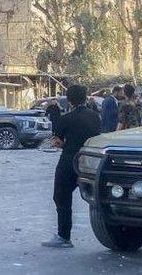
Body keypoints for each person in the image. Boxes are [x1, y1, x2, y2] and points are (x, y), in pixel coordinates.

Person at [42, 84, 101, 249]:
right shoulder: (95, 116)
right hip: (89, 162)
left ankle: (64, 236)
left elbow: (58, 141)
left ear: (69, 99)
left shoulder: (66, 118)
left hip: (69, 161)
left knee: (61, 197)